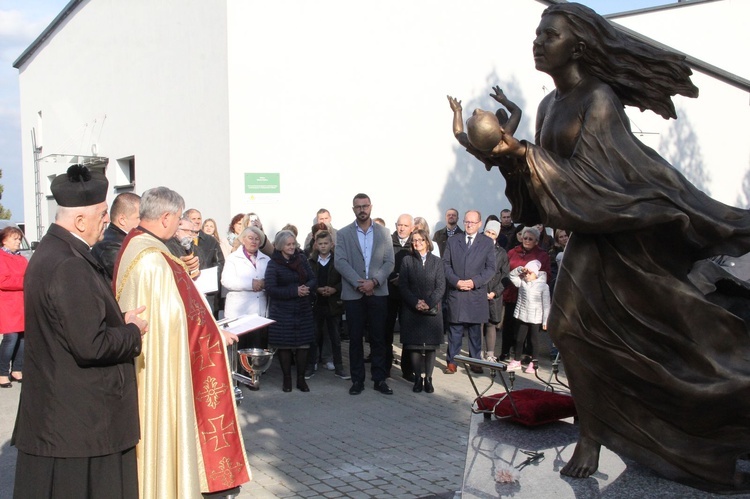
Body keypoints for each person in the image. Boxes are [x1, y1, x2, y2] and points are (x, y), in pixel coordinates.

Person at [464, 3, 750, 492]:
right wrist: (502, 156)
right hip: (591, 238)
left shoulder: (597, 99)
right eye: (537, 34)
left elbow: (597, 184)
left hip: (624, 235)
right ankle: (595, 432)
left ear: (577, 46)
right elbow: (542, 190)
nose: (538, 42)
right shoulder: (549, 105)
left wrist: (522, 153)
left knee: (604, 330)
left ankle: (610, 432)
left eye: (549, 35)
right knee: (570, 329)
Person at [13, 165, 147, 498]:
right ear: (81, 221)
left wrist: (118, 317)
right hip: (82, 423)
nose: (107, 220)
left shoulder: (52, 252)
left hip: (62, 418)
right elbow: (90, 345)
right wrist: (132, 331)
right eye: (103, 214)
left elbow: (73, 323)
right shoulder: (69, 264)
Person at [114, 187, 250, 498]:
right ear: (165, 217)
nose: (181, 227)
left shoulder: (141, 246)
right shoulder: (151, 260)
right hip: (160, 369)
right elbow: (173, 320)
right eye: (178, 220)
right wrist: (216, 335)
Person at [334, 193, 395, 395]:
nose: (362, 209)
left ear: (371, 207)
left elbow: (389, 262)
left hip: (378, 293)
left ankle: (379, 379)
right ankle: (357, 380)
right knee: (355, 338)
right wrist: (359, 283)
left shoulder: (384, 233)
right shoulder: (343, 234)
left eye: (365, 206)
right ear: (353, 209)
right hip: (354, 294)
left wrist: (374, 282)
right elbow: (340, 261)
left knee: (378, 338)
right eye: (358, 206)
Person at [442, 210, 496, 374]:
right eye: (467, 222)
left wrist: (474, 282)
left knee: (475, 331)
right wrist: (456, 282)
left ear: (480, 224)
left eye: (473, 222)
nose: (469, 225)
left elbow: (491, 269)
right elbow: (445, 264)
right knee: (455, 330)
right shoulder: (453, 241)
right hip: (457, 292)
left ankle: (475, 361)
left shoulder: (486, 243)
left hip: (475, 293)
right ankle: (452, 361)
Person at [265, 230, 316, 392]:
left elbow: (313, 278)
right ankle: (287, 379)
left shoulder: (301, 259)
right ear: (280, 246)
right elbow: (271, 288)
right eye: (288, 244)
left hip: (302, 310)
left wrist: (306, 288)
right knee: (284, 346)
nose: (292, 247)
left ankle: (301, 379)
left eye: (293, 244)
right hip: (282, 311)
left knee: (303, 345)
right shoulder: (273, 263)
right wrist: (294, 291)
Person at [398, 229, 445, 393]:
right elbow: (403, 285)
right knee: (415, 346)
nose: (417, 243)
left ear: (427, 242)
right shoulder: (407, 261)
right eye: (414, 240)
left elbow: (440, 287)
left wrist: (429, 303)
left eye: (420, 240)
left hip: (432, 311)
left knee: (430, 346)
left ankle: (429, 379)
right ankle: (418, 378)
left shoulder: (437, 262)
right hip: (412, 310)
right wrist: (415, 302)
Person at [499, 227, 551, 363]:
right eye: (525, 238)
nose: (527, 241)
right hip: (513, 293)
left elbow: (546, 274)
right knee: (509, 325)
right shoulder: (512, 252)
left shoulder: (542, 255)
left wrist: (532, 276)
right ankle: (505, 351)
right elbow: (506, 271)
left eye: (530, 239)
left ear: (536, 241)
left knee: (528, 330)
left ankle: (527, 355)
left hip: (532, 298)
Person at [307, 230, 349, 380]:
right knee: (313, 335)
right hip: (316, 304)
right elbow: (307, 278)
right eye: (320, 244)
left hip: (333, 304)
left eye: (326, 243)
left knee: (335, 338)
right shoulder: (311, 261)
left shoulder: (338, 260)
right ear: (316, 245)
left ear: (332, 244)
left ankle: (339, 366)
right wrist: (317, 288)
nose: (323, 246)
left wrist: (334, 289)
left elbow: (344, 279)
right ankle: (311, 366)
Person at [221, 226, 270, 349]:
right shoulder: (233, 258)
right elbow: (226, 281)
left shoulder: (266, 259)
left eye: (257, 239)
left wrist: (265, 283)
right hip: (238, 312)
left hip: (259, 312)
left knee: (257, 350)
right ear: (243, 240)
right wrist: (250, 284)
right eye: (250, 238)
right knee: (239, 349)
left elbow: (271, 280)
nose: (254, 241)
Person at [448, 86, 521, 154]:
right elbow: (517, 111)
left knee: (500, 113)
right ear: (501, 129)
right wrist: (504, 100)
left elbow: (457, 132)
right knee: (501, 112)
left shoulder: (475, 145)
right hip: (521, 161)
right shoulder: (506, 136)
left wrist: (457, 110)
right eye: (484, 113)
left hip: (500, 162)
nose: (477, 110)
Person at [508, 260, 550, 373]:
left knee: (534, 340)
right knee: (519, 339)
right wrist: (521, 269)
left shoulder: (543, 286)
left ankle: (534, 362)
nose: (527, 275)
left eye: (530, 273)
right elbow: (511, 276)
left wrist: (545, 321)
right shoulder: (522, 282)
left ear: (536, 274)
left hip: (536, 318)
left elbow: (546, 305)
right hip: (523, 315)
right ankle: (517, 360)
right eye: (526, 273)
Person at [0, 226, 28, 388]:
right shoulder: (1, 257)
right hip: (8, 304)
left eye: (19, 239)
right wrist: (24, 282)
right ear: (4, 240)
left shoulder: (22, 259)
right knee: (10, 338)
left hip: (22, 303)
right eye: (14, 239)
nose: (18, 242)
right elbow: (3, 281)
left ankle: (17, 369)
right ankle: (2, 372)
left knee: (23, 338)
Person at [387, 214, 414, 380]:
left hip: (407, 295)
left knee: (408, 332)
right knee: (386, 331)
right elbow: (381, 262)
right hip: (389, 292)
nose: (401, 228)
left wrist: (403, 279)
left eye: (405, 225)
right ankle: (386, 366)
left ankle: (407, 369)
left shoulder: (416, 243)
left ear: (411, 227)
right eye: (399, 225)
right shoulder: (387, 242)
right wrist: (392, 278)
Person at [92, 192, 141, 281]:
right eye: (139, 218)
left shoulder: (126, 240)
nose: (143, 223)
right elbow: (135, 279)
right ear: (122, 220)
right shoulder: (110, 247)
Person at [481, 220, 509, 363]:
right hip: (478, 291)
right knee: (478, 324)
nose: (489, 236)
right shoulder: (476, 247)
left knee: (491, 323)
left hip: (494, 294)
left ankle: (490, 353)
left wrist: (495, 293)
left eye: (493, 233)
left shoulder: (502, 253)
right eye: (488, 232)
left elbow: (505, 275)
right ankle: (477, 352)